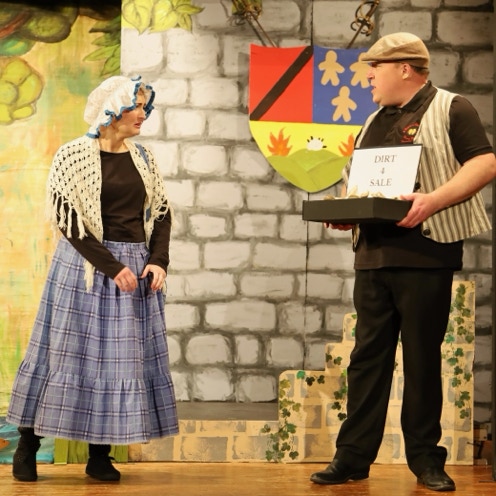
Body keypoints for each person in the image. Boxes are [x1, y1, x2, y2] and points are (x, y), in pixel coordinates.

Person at [310, 32, 496, 492]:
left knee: (421, 359)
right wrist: (348, 212)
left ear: (405, 69)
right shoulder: (372, 121)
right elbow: (359, 183)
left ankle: (426, 461)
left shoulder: (452, 108)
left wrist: (432, 200)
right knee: (366, 360)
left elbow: (485, 164)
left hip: (426, 252)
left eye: (375, 68)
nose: (368, 77)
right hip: (373, 257)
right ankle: (352, 457)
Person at [6, 75, 179, 482]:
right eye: (136, 106)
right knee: (60, 355)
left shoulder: (144, 158)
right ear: (113, 110)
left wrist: (158, 261)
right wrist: (112, 268)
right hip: (85, 269)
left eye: (144, 106)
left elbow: (162, 213)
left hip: (134, 270)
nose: (143, 113)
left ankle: (100, 456)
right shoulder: (73, 156)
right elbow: (70, 224)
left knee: (118, 364)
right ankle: (27, 445)